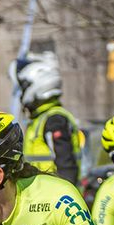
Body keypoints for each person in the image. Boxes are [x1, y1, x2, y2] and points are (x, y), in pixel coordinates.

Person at [15, 52, 83, 186]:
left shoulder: (54, 120)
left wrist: (66, 199)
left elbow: (66, 165)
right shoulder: (42, 118)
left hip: (55, 196)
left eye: (24, 86)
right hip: (44, 193)